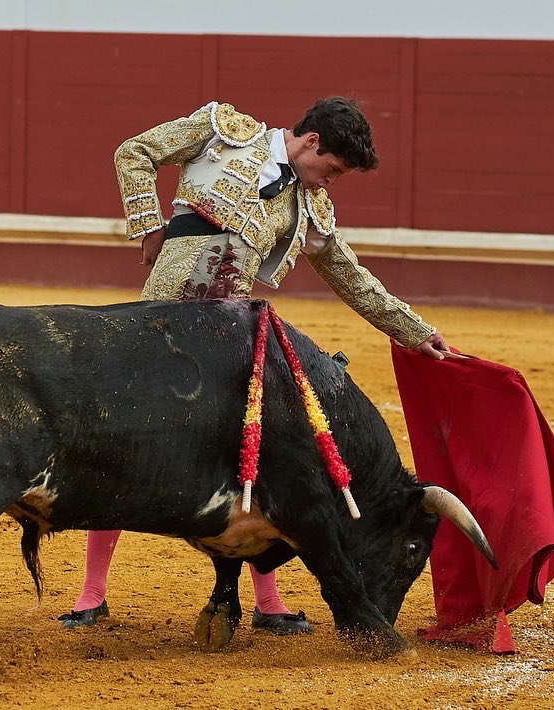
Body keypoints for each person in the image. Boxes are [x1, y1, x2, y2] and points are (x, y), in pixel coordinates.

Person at [58, 97, 456, 634]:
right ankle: (92, 594)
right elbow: (135, 151)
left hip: (230, 344)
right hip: (159, 328)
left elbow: (351, 277)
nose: (330, 181)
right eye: (332, 169)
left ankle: (268, 603)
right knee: (122, 447)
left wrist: (413, 331)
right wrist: (148, 225)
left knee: (258, 461)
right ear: (311, 141)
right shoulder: (223, 132)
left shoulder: (311, 208)